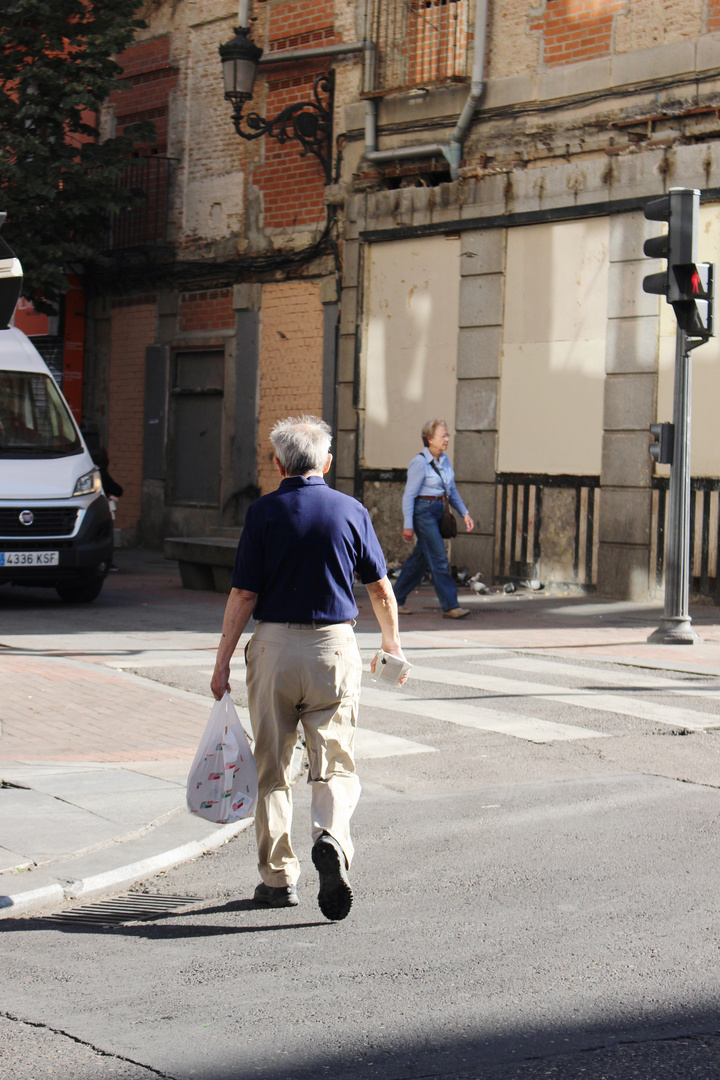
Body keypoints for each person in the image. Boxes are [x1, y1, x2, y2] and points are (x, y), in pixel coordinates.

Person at [210, 415, 406, 922]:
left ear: (278, 463)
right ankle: (332, 842)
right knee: (334, 761)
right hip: (334, 649)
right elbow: (380, 588)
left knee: (272, 766)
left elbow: (243, 594)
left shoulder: (262, 514)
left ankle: (277, 879)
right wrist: (392, 644)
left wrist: (222, 660)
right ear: (327, 462)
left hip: (274, 647)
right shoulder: (351, 510)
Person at [393, 418, 474, 619]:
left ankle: (393, 601)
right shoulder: (419, 463)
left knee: (419, 561)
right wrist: (408, 525)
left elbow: (451, 491)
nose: (446, 439)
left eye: (447, 435)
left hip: (439, 510)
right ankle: (450, 606)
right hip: (424, 512)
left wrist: (465, 513)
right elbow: (409, 496)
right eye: (442, 435)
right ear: (429, 439)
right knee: (439, 558)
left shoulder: (445, 461)